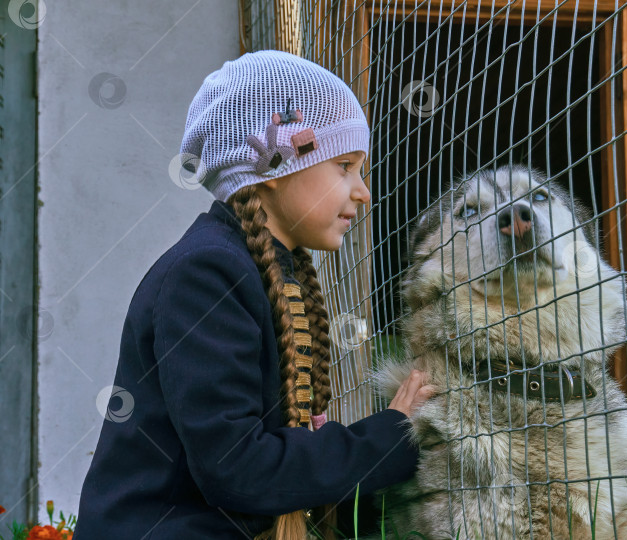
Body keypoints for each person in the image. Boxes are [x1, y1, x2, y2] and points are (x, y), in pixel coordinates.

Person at [73, 50, 436, 540]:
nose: (363, 191)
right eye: (345, 166)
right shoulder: (206, 274)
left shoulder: (259, 268)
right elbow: (236, 468)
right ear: (275, 163)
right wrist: (387, 439)